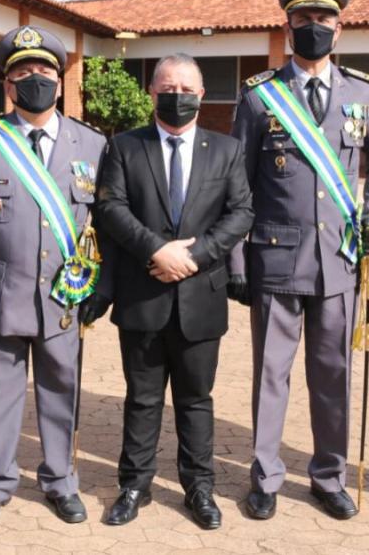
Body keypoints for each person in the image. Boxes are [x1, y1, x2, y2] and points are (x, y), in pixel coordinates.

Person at [229, 0, 369, 521]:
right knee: (270, 375)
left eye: (324, 21)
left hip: (339, 261)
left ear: (339, 29)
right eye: (304, 20)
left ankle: (328, 476)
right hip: (275, 258)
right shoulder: (259, 97)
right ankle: (266, 477)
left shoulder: (363, 93)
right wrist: (236, 259)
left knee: (332, 375)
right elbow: (238, 183)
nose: (314, 28)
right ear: (289, 26)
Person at [0, 25, 109, 527]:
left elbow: (107, 225)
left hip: (65, 296)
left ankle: (60, 481)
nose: (35, 79)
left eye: (44, 71)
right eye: (22, 72)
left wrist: (101, 286)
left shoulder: (90, 144)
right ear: (8, 85)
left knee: (61, 390)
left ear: (60, 79)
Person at [95, 53, 253, 530]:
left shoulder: (226, 150)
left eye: (187, 89)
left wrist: (195, 255)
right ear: (152, 92)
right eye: (168, 87)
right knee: (141, 398)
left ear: (202, 95)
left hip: (200, 296)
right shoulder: (124, 147)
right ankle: (134, 485)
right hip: (144, 293)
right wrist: (156, 252)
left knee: (196, 399)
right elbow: (111, 208)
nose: (177, 96)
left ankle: (198, 487)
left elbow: (241, 212)